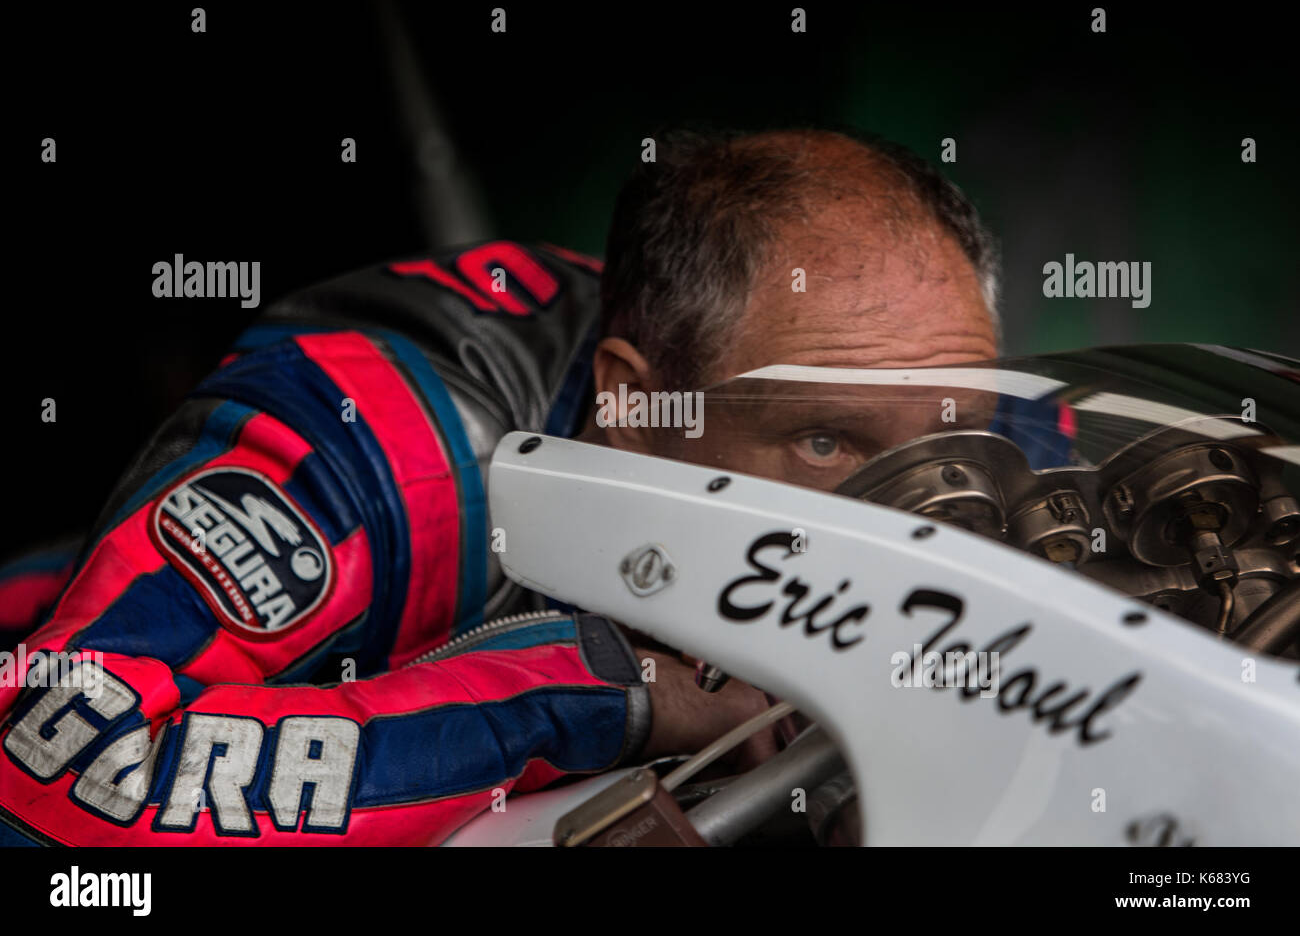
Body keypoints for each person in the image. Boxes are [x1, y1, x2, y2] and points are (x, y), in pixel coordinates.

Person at [0, 128, 999, 845]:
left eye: (958, 435)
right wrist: (589, 691)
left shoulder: (931, 394)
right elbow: (53, 770)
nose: (905, 524)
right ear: (634, 404)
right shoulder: (368, 450)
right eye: (825, 441)